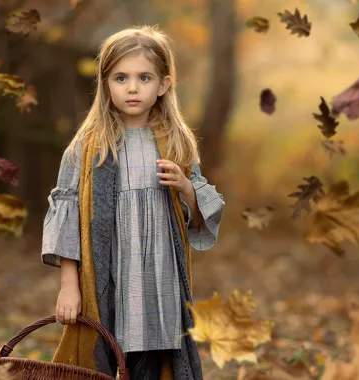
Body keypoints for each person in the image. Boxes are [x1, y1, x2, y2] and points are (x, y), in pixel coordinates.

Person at [41, 25, 225, 380]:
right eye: (120, 77)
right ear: (105, 83)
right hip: (111, 275)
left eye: (144, 77)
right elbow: (67, 213)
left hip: (159, 280)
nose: (132, 87)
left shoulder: (177, 142)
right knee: (108, 352)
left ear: (164, 84)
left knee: (154, 363)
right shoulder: (90, 146)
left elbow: (201, 206)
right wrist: (69, 284)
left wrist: (186, 187)